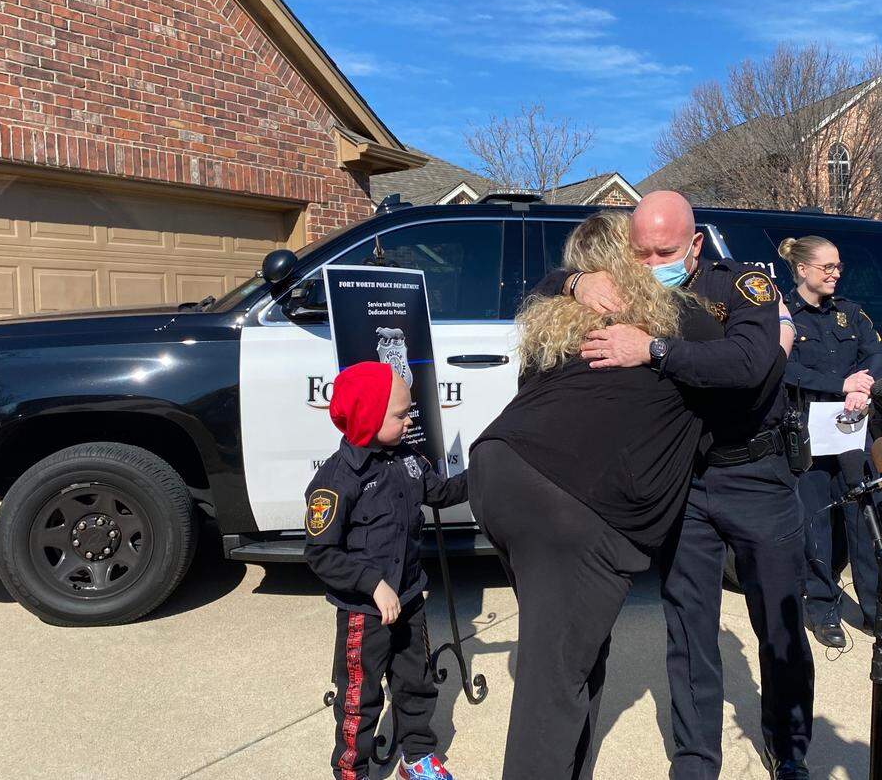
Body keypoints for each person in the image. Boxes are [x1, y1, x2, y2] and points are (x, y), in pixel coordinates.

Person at [557, 191, 812, 780]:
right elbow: (545, 284)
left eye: (664, 253)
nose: (651, 265)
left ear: (695, 244)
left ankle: (789, 746)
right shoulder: (629, 289)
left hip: (756, 474)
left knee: (779, 621)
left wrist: (652, 350)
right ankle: (696, 759)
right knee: (689, 626)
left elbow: (751, 365)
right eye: (640, 253)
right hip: (686, 481)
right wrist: (575, 283)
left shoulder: (742, 285)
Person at [467, 211, 728, 780]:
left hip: (498, 472)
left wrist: (568, 282)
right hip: (568, 505)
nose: (656, 264)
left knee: (576, 651)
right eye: (643, 253)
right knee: (553, 679)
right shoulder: (675, 319)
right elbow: (748, 362)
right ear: (627, 260)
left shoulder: (554, 321)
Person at [303, 361, 468, 780]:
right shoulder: (336, 480)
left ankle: (416, 757)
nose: (410, 420)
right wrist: (373, 585)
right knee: (360, 698)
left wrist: (485, 472)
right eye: (400, 414)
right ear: (368, 417)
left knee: (416, 681)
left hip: (409, 597)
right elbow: (321, 553)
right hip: (366, 612)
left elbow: (441, 492)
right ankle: (351, 771)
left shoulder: (408, 459)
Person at [779, 235, 882, 649]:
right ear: (802, 269)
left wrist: (862, 384)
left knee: (865, 520)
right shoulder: (784, 315)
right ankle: (822, 608)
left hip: (852, 429)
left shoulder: (850, 312)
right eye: (827, 267)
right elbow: (783, 369)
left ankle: (876, 609)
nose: (835, 274)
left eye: (838, 266)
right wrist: (839, 384)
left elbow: (876, 354)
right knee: (816, 525)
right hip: (807, 434)